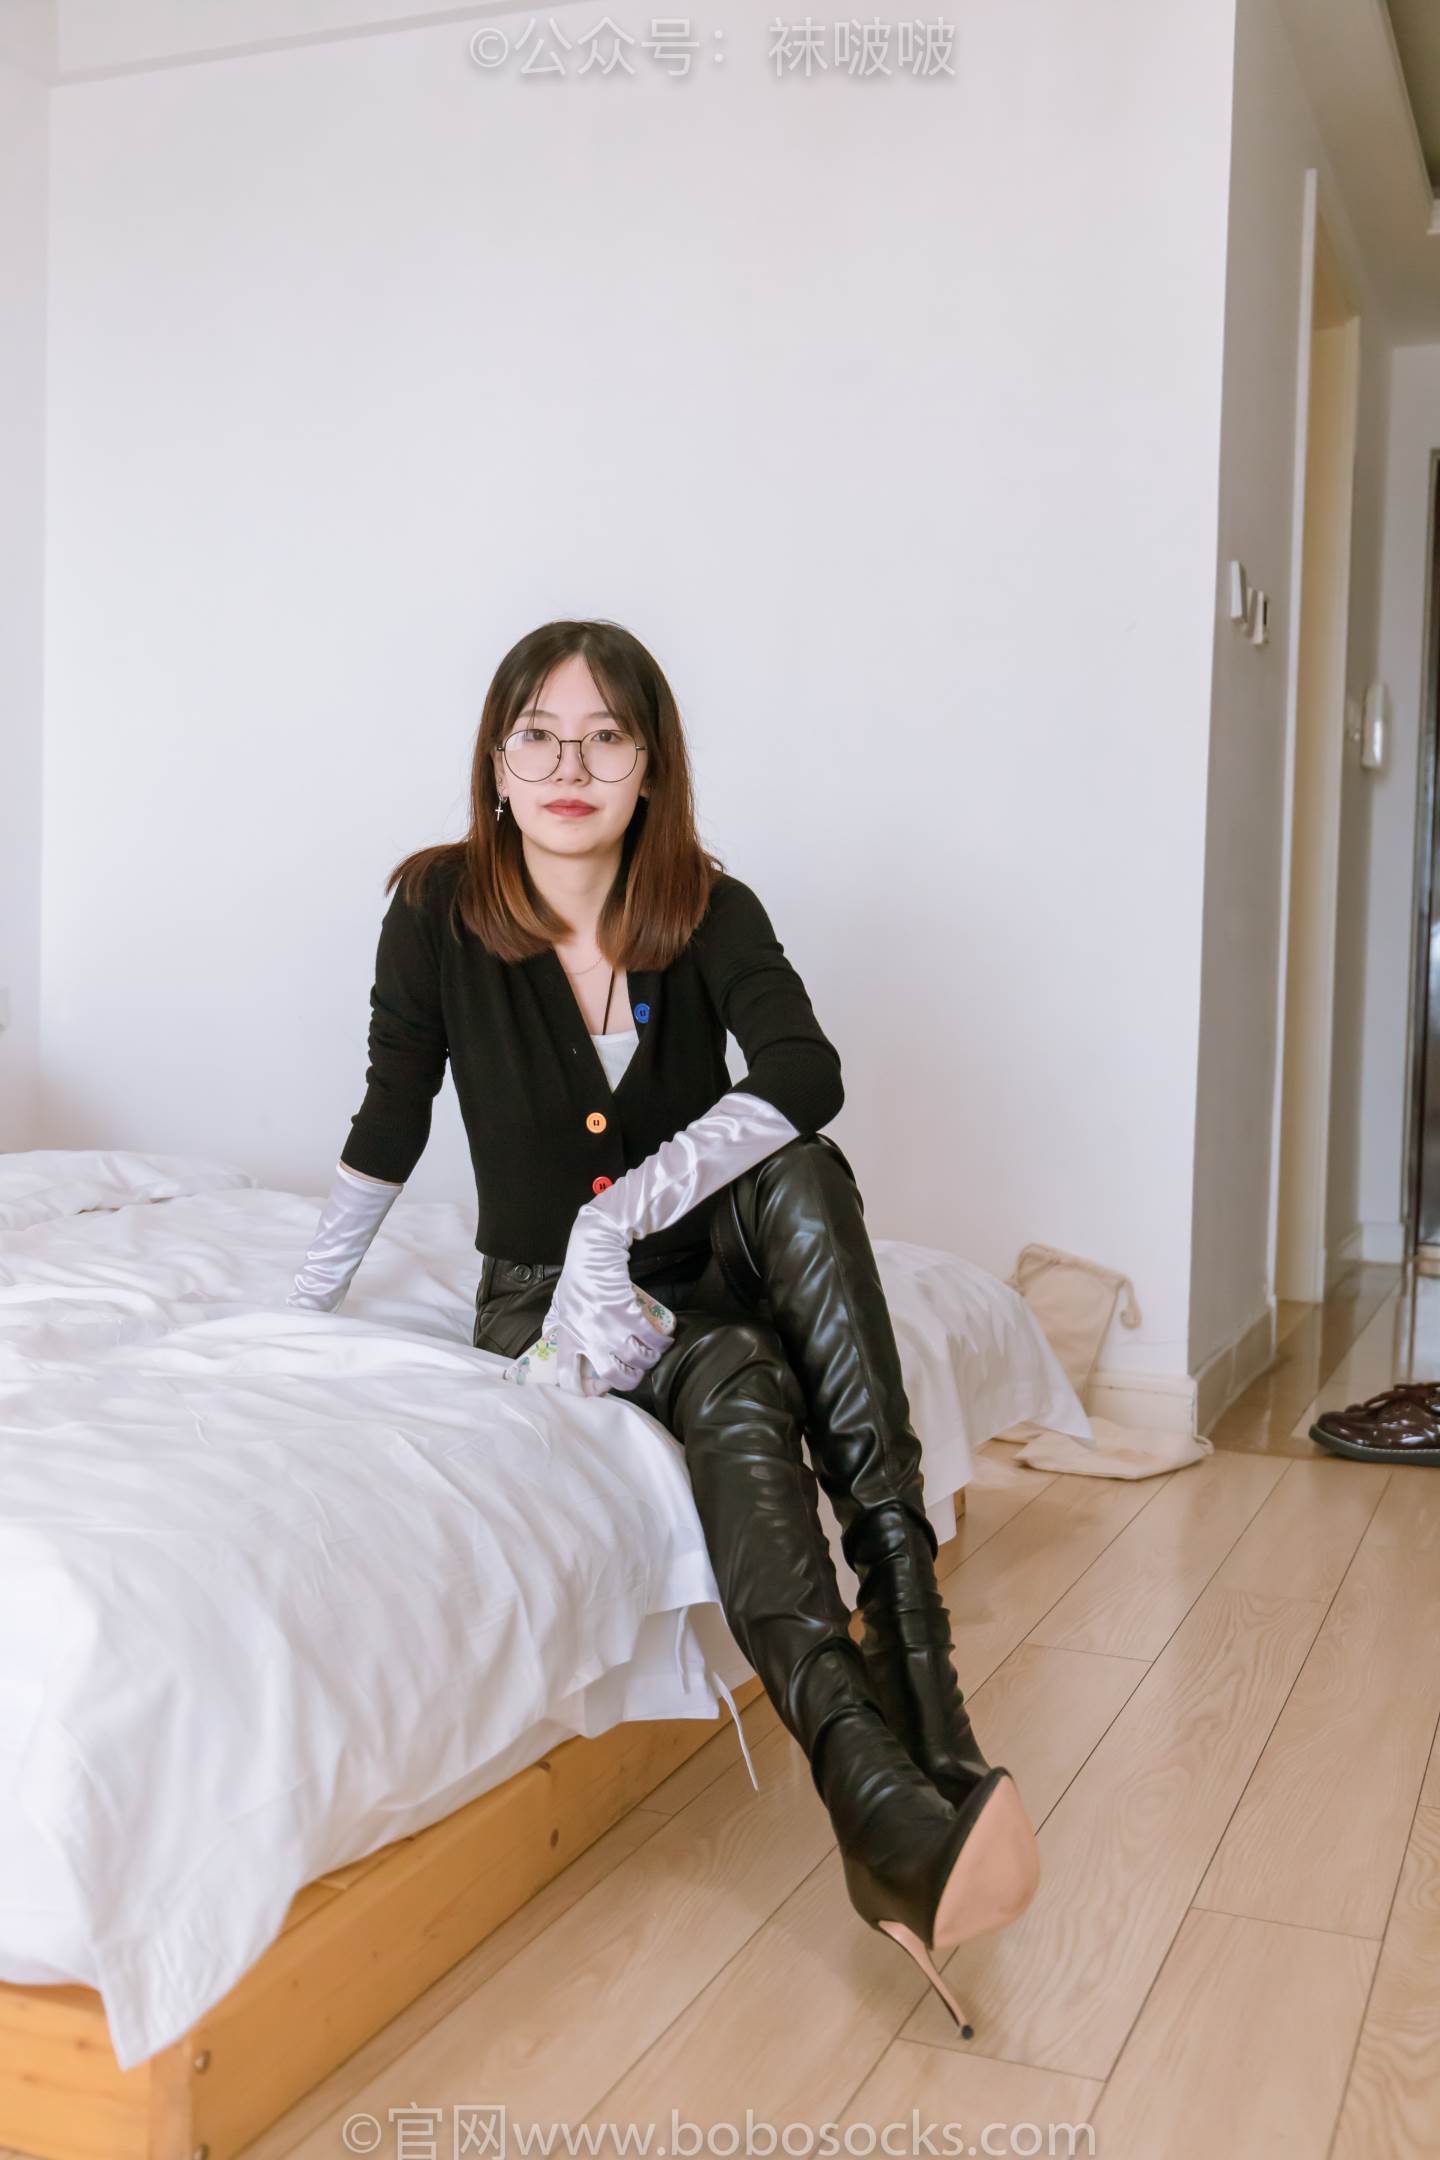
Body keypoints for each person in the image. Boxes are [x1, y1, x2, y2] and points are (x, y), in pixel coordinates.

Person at [289, 618, 1039, 2030]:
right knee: (739, 1369)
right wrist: (299, 1311)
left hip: (700, 1252)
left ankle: (912, 1633)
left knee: (804, 1170)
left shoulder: (703, 901)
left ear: (650, 765)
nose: (569, 768)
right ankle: (875, 1789)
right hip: (546, 1302)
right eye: (537, 737)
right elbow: (391, 1116)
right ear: (495, 760)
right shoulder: (436, 907)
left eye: (605, 739)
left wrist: (618, 1215)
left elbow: (805, 1070)